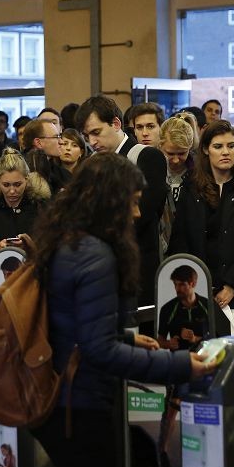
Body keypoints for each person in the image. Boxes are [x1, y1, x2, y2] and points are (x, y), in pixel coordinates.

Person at [28, 154, 211, 467]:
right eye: (132, 200)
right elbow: (98, 351)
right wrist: (179, 366)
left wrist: (126, 337)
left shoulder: (66, 240)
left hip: (59, 393)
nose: (138, 211)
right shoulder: (96, 255)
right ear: (109, 201)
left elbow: (70, 323)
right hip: (78, 402)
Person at [168, 120, 234, 333]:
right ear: (205, 149)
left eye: (231, 146)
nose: (226, 152)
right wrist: (197, 285)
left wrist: (232, 283)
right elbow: (180, 239)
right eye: (218, 146)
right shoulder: (192, 187)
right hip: (198, 288)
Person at [76, 95, 168, 308]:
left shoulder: (147, 157)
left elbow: (141, 216)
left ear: (116, 124)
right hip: (100, 271)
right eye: (86, 136)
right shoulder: (90, 165)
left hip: (137, 269)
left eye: (96, 133)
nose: (91, 142)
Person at [0, 149, 50, 282]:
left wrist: (30, 247)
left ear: (27, 179)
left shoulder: (41, 207)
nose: (12, 191)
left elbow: (52, 248)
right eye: (6, 185)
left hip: (35, 280)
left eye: (18, 184)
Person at [157, 264, 209, 351]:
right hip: (179, 360)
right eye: (175, 284)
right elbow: (160, 340)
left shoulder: (208, 305)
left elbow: (221, 337)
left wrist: (195, 339)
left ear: (192, 283)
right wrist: (169, 343)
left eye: (181, 284)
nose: (177, 288)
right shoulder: (167, 308)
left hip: (205, 357)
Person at [22, 118, 71, 194]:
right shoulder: (20, 174)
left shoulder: (63, 175)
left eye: (59, 136)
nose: (61, 142)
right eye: (56, 137)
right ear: (38, 143)